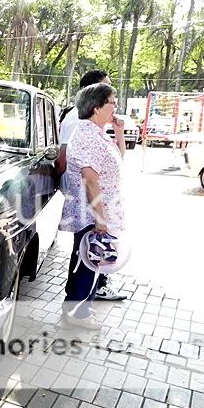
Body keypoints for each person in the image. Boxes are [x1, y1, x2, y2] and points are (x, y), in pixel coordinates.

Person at [59, 83, 126, 330]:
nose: (115, 106)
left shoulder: (98, 132)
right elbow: (90, 178)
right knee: (87, 262)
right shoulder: (87, 133)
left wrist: (118, 132)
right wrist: (100, 217)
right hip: (91, 213)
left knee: (88, 260)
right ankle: (78, 312)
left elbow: (118, 159)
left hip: (98, 210)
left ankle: (77, 308)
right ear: (97, 107)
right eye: (112, 102)